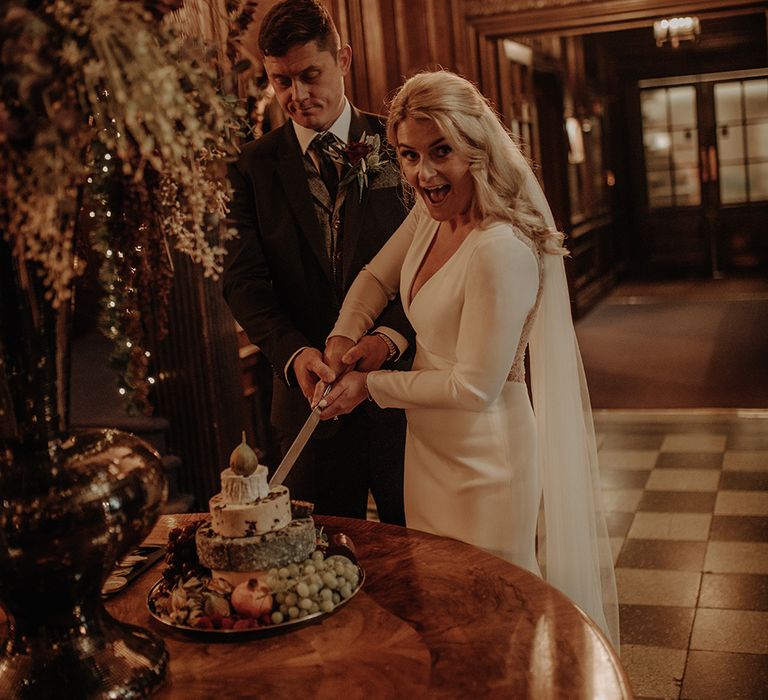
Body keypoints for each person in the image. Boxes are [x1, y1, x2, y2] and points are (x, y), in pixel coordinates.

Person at [316, 70, 620, 647]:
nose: (422, 174)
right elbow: (375, 276)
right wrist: (343, 335)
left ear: (475, 148)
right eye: (407, 155)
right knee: (444, 605)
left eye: (440, 152)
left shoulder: (498, 248)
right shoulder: (429, 218)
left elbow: (473, 389)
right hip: (429, 449)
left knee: (493, 616)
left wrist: (371, 385)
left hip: (487, 460)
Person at [223, 0, 413, 524]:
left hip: (403, 395)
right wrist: (294, 352)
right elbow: (242, 281)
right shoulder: (253, 166)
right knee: (321, 561)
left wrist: (388, 338)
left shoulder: (402, 149)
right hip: (308, 406)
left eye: (311, 75)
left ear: (344, 60)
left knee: (423, 556)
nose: (297, 96)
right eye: (281, 81)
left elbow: (434, 264)